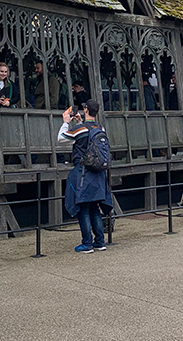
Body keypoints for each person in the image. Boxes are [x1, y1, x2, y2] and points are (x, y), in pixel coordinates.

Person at [58, 100, 112, 253]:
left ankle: (87, 243)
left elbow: (61, 139)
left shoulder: (80, 129)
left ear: (86, 109)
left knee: (83, 208)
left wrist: (65, 122)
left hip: (83, 173)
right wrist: (80, 122)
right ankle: (100, 241)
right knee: (95, 207)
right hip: (99, 173)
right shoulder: (100, 127)